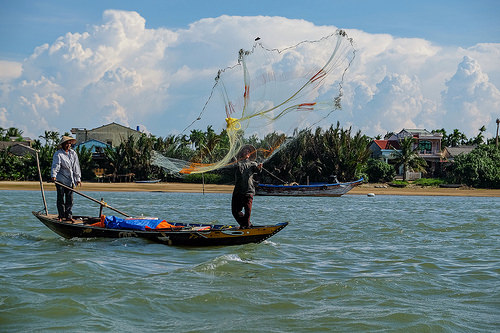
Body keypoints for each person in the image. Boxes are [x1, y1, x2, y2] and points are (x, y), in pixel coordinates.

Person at [231, 145, 262, 229]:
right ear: (241, 153)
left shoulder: (253, 164)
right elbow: (234, 166)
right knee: (235, 211)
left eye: (248, 151)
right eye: (244, 151)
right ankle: (245, 225)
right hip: (238, 191)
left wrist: (259, 168)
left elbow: (257, 170)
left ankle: (246, 226)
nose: (246, 152)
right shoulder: (238, 163)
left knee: (248, 212)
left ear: (250, 153)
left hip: (249, 191)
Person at [51, 135, 81, 221]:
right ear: (63, 144)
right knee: (60, 199)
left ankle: (68, 216)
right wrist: (53, 175)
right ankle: (61, 216)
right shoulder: (58, 154)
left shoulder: (73, 153)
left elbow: (76, 166)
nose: (68, 145)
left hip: (70, 180)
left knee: (70, 200)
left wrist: (78, 179)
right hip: (60, 179)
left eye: (69, 143)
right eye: (67, 143)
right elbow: (56, 165)